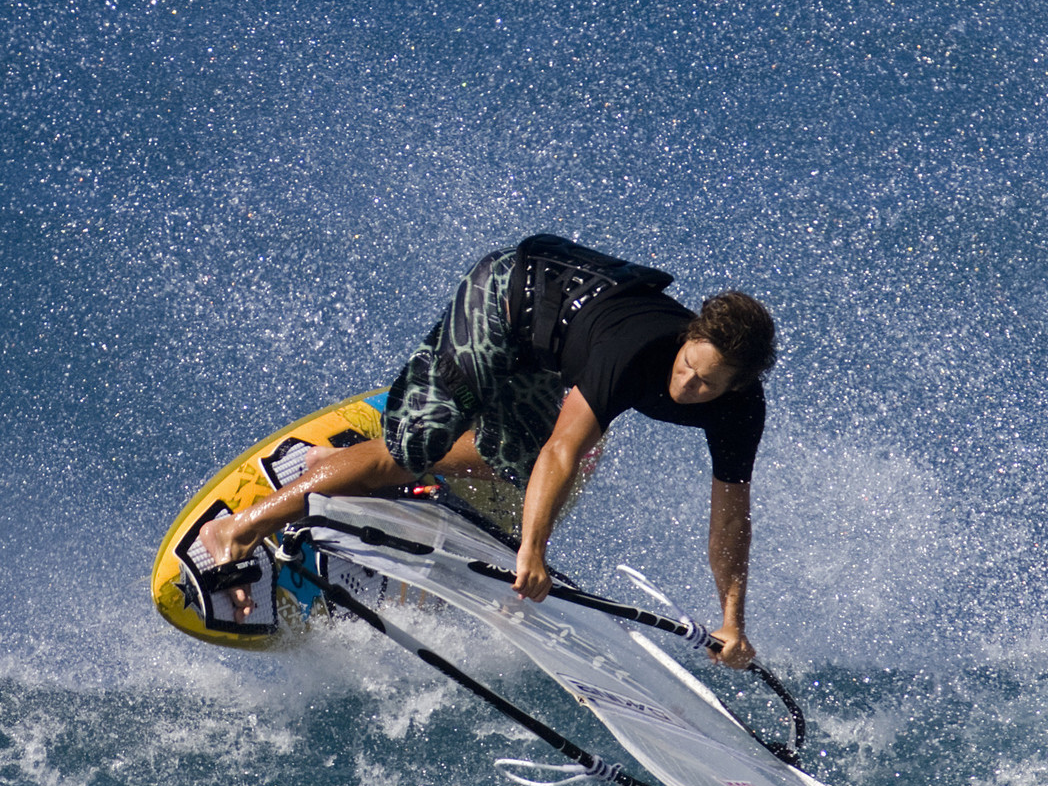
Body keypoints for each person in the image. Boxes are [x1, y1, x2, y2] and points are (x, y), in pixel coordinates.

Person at [199, 235, 777, 668]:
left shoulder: (740, 410)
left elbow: (730, 517)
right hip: (506, 298)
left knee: (515, 464)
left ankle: (373, 471)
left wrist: (732, 619)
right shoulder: (635, 352)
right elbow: (563, 450)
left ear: (739, 385)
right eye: (687, 366)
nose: (687, 386)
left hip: (550, 348)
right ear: (687, 338)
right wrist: (533, 551)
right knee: (420, 445)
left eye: (706, 384)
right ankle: (242, 528)